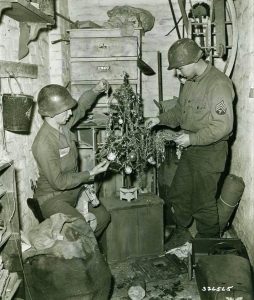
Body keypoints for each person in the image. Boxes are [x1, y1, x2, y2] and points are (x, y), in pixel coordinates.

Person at [147, 38, 235, 238]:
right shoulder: (190, 82)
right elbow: (179, 111)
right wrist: (158, 119)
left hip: (211, 152)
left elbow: (223, 125)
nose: (177, 73)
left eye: (179, 68)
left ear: (191, 62)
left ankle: (208, 246)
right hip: (191, 150)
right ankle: (182, 232)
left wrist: (191, 139)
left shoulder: (218, 84)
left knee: (203, 204)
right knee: (179, 194)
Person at [32, 80, 111, 238]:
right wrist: (89, 174)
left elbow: (81, 107)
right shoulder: (43, 143)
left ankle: (85, 251)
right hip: (52, 199)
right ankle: (82, 255)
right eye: (66, 110)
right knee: (82, 228)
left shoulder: (63, 125)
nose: (70, 113)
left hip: (73, 191)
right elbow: (59, 182)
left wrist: (95, 90)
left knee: (102, 218)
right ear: (52, 113)